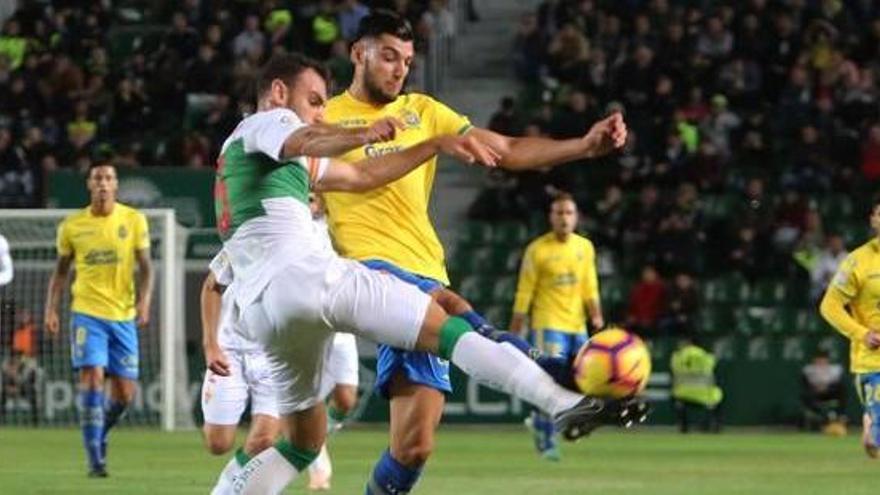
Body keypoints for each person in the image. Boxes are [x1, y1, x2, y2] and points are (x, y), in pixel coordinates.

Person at [213, 52, 642, 494]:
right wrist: (361, 131)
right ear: (280, 93)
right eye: (315, 100)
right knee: (449, 326)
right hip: (310, 280)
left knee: (303, 443)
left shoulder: (243, 160)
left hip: (266, 314)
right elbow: (305, 137)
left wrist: (431, 145)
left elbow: (360, 176)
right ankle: (561, 402)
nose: (320, 112)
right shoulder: (266, 123)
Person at [322, 11, 634, 493]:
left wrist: (584, 146)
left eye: (406, 60)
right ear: (356, 53)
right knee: (462, 317)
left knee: (413, 446)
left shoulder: (422, 113)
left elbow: (504, 148)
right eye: (387, 56)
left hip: (424, 271)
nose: (399, 69)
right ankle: (567, 383)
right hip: (369, 273)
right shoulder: (325, 119)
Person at [44, 160, 154, 477]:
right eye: (97, 178)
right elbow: (60, 273)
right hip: (86, 313)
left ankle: (100, 433)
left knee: (125, 393)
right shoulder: (72, 226)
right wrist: (51, 309)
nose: (103, 183)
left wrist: (144, 302)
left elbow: (146, 267)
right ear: (89, 185)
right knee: (91, 375)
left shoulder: (133, 220)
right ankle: (95, 460)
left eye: (108, 178)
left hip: (123, 315)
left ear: (116, 185)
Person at [511, 193, 603, 461]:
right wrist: (515, 329)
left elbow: (590, 284)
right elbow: (524, 291)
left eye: (568, 213)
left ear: (576, 217)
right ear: (551, 217)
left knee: (582, 380)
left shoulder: (584, 247)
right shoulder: (537, 250)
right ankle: (545, 434)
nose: (564, 218)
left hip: (577, 325)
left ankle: (548, 423)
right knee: (550, 382)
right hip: (548, 323)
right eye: (559, 213)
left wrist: (596, 316)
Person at [819, 198, 880, 458]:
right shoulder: (858, 262)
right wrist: (862, 333)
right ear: (874, 220)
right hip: (873, 359)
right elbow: (830, 306)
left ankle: (871, 425)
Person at [670, 337, 723, 433]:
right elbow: (712, 366)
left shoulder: (678, 356)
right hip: (704, 395)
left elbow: (674, 368)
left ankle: (683, 426)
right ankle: (714, 425)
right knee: (718, 395)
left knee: (675, 397)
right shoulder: (706, 356)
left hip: (682, 394)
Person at [801, 350, 847, 436]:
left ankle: (840, 417)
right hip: (816, 395)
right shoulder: (809, 370)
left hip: (830, 393)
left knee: (840, 388)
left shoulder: (835, 369)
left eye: (823, 360)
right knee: (807, 395)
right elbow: (806, 384)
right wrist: (817, 388)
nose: (821, 362)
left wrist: (826, 387)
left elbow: (837, 383)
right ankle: (820, 421)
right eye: (819, 360)